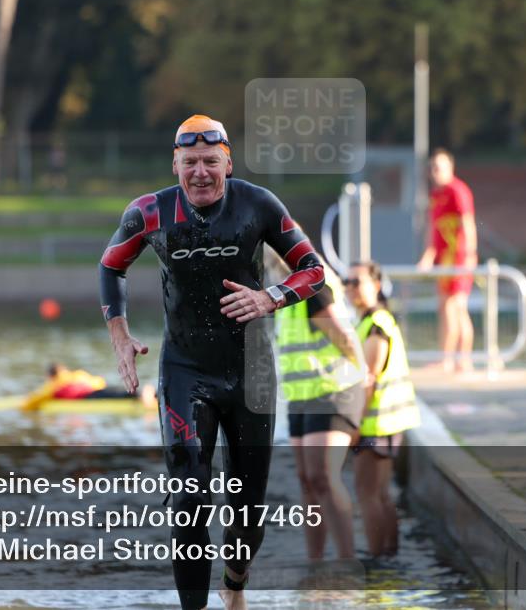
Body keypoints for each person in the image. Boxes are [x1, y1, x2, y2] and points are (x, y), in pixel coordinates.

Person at [98, 114, 325, 610]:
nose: (200, 173)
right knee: (188, 502)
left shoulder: (258, 204)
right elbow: (111, 264)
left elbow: (314, 270)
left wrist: (271, 298)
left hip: (252, 373)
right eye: (190, 163)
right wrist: (119, 334)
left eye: (210, 162)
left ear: (228, 162)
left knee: (247, 513)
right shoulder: (149, 212)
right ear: (175, 164)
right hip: (185, 370)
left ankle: (235, 584)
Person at [268, 248, 365, 562]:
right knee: (307, 480)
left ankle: (346, 562)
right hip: (301, 397)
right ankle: (315, 563)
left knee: (323, 475)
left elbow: (344, 338)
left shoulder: (313, 287)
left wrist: (364, 378)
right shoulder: (285, 295)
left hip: (333, 391)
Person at [344, 261, 420, 558]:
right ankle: (389, 556)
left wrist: (354, 426)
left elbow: (369, 379)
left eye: (356, 282)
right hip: (388, 423)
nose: (350, 288)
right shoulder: (372, 320)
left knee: (367, 495)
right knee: (381, 494)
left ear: (376, 285)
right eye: (346, 282)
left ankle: (378, 564)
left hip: (377, 425)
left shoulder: (376, 324)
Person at [416, 148, 478, 373]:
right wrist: (428, 256)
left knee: (457, 307)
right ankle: (447, 358)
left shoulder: (458, 191)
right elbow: (432, 229)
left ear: (450, 168)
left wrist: (470, 255)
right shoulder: (435, 195)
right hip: (444, 260)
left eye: (439, 167)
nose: (435, 172)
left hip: (459, 257)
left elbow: (468, 223)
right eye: (433, 167)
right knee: (444, 307)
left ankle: (460, 359)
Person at [20, 363, 156, 411]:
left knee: (122, 394)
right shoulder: (77, 374)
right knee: (119, 391)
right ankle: (153, 392)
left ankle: (143, 394)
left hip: (89, 396)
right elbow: (98, 381)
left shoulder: (54, 384)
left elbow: (35, 401)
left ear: (51, 376)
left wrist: (24, 403)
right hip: (96, 389)